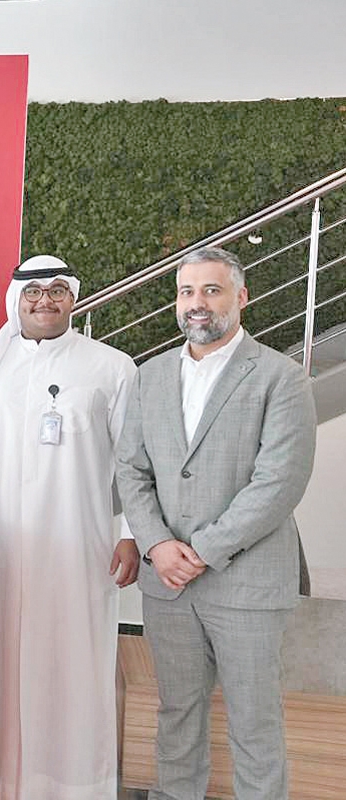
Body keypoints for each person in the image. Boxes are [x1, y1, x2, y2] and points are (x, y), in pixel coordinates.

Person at [116, 246, 316, 800]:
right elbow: (131, 470)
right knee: (176, 714)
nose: (197, 303)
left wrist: (200, 551)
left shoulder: (281, 377)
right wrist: (157, 544)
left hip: (246, 584)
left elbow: (279, 483)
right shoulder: (150, 375)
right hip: (167, 584)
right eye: (187, 292)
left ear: (241, 297)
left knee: (255, 723)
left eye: (211, 290)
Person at [0, 255, 139, 799]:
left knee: (72, 660)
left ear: (72, 298)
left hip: (79, 544)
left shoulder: (112, 368)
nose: (44, 300)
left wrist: (131, 532)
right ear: (16, 300)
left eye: (56, 291)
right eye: (33, 292)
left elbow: (133, 462)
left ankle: (69, 780)